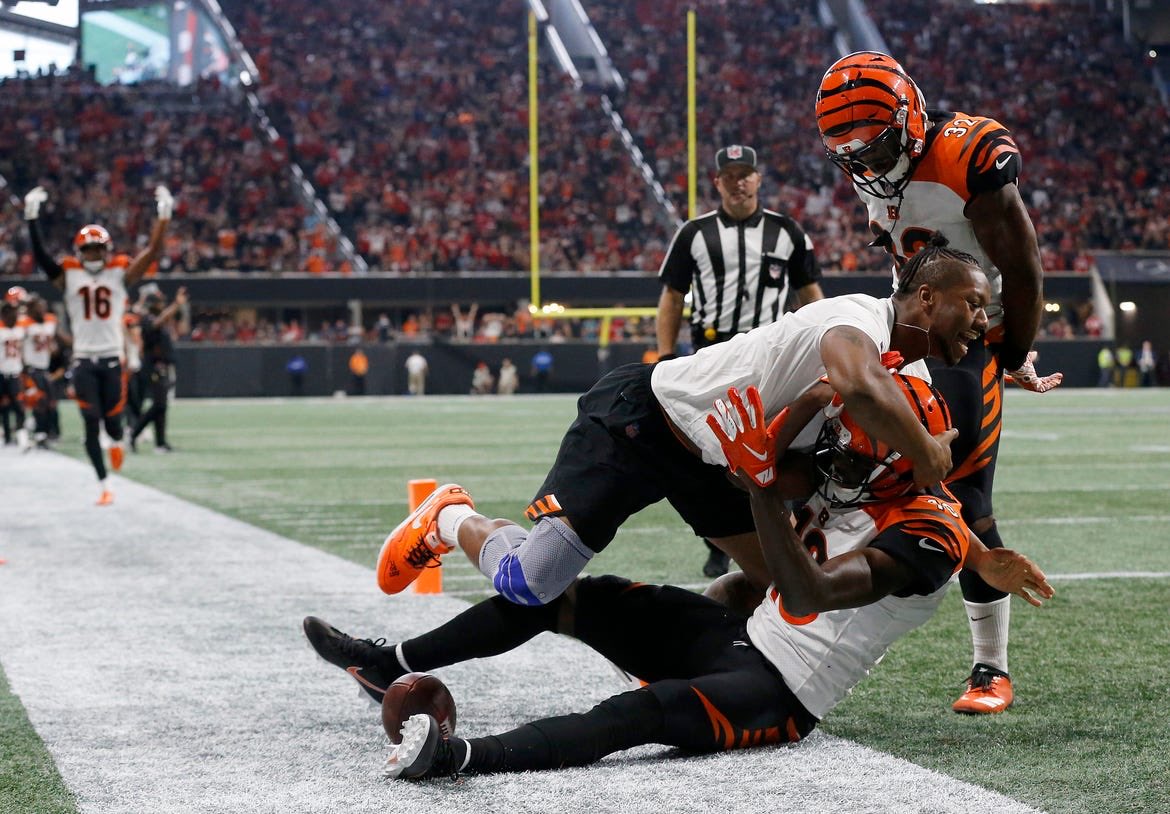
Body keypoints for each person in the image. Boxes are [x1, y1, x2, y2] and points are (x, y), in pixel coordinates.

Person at [303, 374, 1053, 780]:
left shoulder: (930, 533)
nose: (836, 464)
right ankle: (388, 663)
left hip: (781, 693)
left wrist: (760, 482)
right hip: (739, 640)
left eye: (855, 456)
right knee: (568, 599)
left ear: (895, 459)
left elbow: (806, 592)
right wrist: (813, 404)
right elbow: (804, 453)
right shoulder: (870, 479)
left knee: (644, 714)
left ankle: (463, 757)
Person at [373, 239, 989, 612]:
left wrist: (978, 555)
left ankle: (669, 651)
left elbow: (860, 454)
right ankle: (449, 517)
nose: (982, 321)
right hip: (646, 422)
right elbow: (858, 385)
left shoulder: (908, 368)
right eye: (975, 304)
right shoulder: (858, 317)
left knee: (782, 582)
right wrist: (927, 450)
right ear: (928, 297)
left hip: (717, 463)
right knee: (532, 583)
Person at [816, 51, 1063, 713]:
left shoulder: (966, 154)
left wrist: (1012, 351)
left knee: (964, 493)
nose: (867, 163)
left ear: (910, 117)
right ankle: (782, 625)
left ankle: (991, 669)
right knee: (833, 469)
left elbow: (1025, 263)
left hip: (964, 338)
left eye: (878, 145)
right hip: (897, 328)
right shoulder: (877, 166)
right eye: (853, 153)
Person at [655, 144, 826, 578]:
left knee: (781, 445)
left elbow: (811, 295)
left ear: (757, 178)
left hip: (773, 354)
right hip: (713, 353)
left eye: (745, 173)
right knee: (711, 450)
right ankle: (722, 541)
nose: (738, 181)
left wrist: (824, 348)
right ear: (718, 182)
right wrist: (664, 354)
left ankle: (789, 537)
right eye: (729, 174)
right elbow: (672, 297)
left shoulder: (787, 232)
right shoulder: (694, 234)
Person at [25, 184, 173, 505]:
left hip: (110, 359)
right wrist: (31, 217)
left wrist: (163, 217)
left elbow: (152, 253)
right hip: (83, 360)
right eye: (88, 250)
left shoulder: (120, 273)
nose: (93, 255)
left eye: (97, 249)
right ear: (80, 252)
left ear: (106, 250)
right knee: (91, 422)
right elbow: (41, 257)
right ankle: (105, 484)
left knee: (114, 424)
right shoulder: (70, 275)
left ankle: (118, 442)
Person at [130, 286, 187, 453]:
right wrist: (176, 304)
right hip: (153, 366)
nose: (163, 303)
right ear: (153, 304)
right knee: (159, 404)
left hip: (162, 365)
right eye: (160, 301)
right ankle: (134, 433)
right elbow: (158, 322)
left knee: (161, 405)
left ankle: (160, 442)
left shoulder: (159, 320)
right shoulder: (147, 319)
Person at [18, 294, 59, 448]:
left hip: (44, 368)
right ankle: (39, 433)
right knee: (38, 401)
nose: (42, 310)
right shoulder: (25, 323)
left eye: (43, 307)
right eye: (38, 307)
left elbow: (53, 345)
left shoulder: (50, 321)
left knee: (50, 402)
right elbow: (18, 345)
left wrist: (53, 346)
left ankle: (47, 432)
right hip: (31, 369)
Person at [0, 302, 28, 449]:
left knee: (18, 406)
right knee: (2, 407)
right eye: (12, 314)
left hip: (15, 373)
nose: (15, 317)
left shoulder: (20, 328)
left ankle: (22, 437)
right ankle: (5, 435)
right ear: (4, 315)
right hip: (0, 373)